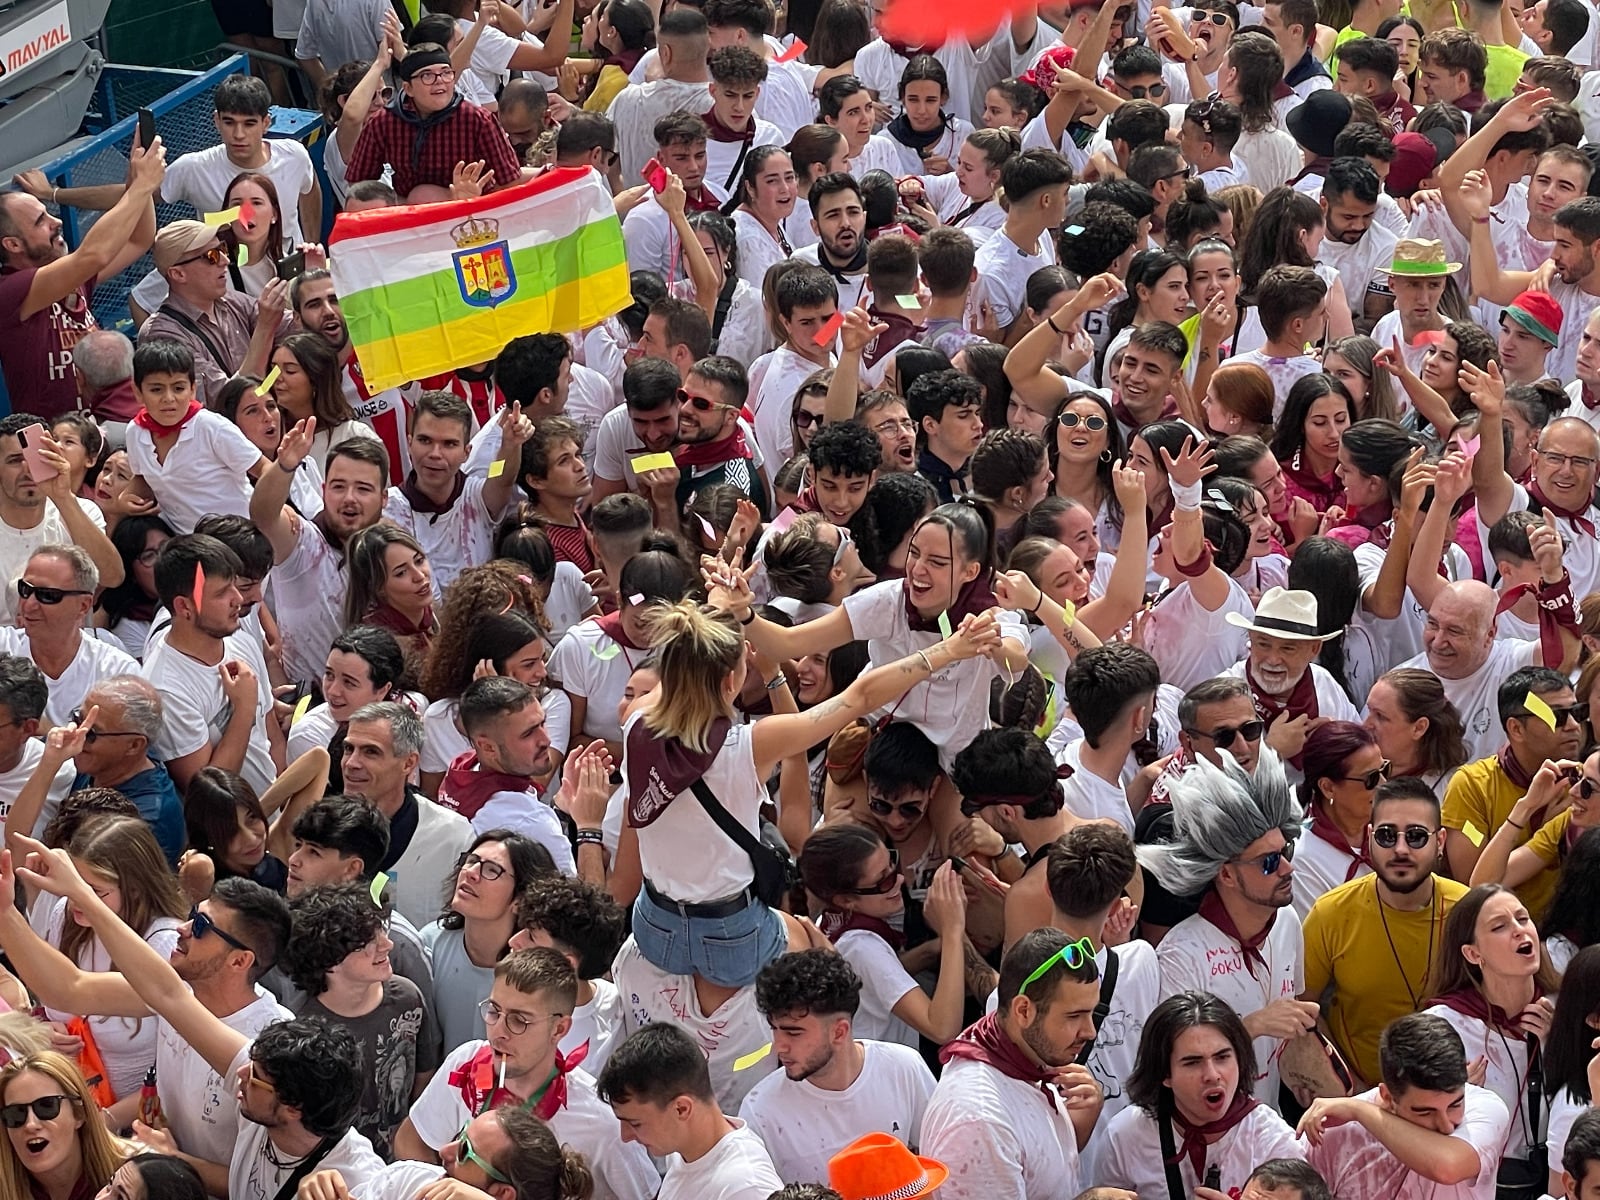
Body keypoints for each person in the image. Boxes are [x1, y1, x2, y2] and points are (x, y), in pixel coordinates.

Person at [0, 861, 293, 1192]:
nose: (182, 928)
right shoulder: (176, 993)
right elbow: (69, 989)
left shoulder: (274, 1046)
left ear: (240, 960)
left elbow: (265, 1186)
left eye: (201, 926)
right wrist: (6, 912)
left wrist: (177, 1162)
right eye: (192, 914)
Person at [399, 947, 661, 1200]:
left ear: (559, 1029)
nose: (498, 1031)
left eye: (519, 1020)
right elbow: (410, 1141)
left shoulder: (601, 1122)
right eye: (494, 1011)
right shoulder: (466, 1061)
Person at [1142, 747, 1317, 1104]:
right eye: (1269, 862)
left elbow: (1289, 1020)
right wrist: (1253, 1025)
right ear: (1226, 875)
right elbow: (1171, 1061)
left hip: (1267, 1122)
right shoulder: (1181, 955)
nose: (1288, 868)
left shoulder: (1286, 921)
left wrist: (1301, 1070)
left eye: (1285, 852)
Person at [1302, 776, 1469, 1088]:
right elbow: (1303, 1011)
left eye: (1416, 836)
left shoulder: (1468, 912)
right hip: (1363, 1093)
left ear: (1440, 842)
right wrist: (1347, 1086)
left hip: (1455, 1093)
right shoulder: (1331, 913)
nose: (1400, 849)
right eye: (1387, 835)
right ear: (1369, 838)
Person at [919, 929, 1102, 1200]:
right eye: (1074, 1016)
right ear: (1023, 1011)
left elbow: (1039, 1167)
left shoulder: (1021, 1050)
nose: (1090, 1032)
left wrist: (1083, 1120)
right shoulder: (980, 1122)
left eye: (1092, 1013)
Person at [738, 950, 936, 1184]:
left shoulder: (904, 1068)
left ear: (839, 1032)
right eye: (775, 1029)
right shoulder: (759, 1111)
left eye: (793, 1032)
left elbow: (939, 1161)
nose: (779, 1046)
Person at [0, 134, 162, 420]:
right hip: (57, 440)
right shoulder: (10, 290)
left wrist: (138, 182)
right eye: (40, 221)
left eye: (48, 213)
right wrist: (141, 188)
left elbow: (140, 239)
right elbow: (93, 255)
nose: (57, 221)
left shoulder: (70, 274)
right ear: (12, 244)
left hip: (102, 429)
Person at [33, 816, 186, 1109]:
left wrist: (103, 1124)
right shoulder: (64, 914)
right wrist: (41, 1031)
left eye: (96, 892)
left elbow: (177, 1073)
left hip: (133, 1118)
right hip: (65, 1105)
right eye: (75, 885)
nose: (78, 900)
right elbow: (42, 998)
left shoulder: (166, 943)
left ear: (135, 888)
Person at [281, 881, 441, 1158]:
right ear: (329, 960)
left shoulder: (407, 997)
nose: (387, 944)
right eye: (366, 943)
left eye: (382, 930)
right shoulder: (304, 1029)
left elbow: (423, 1077)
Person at [1093, 991, 1304, 1195]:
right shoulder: (1125, 1135)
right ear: (1164, 1073)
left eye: (1222, 1057)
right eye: (1193, 1063)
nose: (1212, 1075)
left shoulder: (1274, 1142)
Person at [1424, 882, 1558, 1193]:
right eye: (1499, 926)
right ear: (1473, 954)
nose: (1519, 930)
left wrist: (1559, 1046)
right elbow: (1410, 1122)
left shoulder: (1564, 1007)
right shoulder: (1444, 1026)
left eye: (1522, 919)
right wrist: (1455, 1100)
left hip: (1555, 1180)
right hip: (1476, 1187)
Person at [1300, 1012, 1511, 1200]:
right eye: (1425, 1112)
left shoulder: (1487, 1108)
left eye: (1455, 1105)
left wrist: (1358, 1110)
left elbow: (1448, 1168)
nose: (1446, 1126)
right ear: (1387, 1096)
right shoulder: (1335, 1132)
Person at [249, 420, 392, 687]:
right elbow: (263, 516)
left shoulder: (393, 549)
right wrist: (284, 466)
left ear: (384, 498)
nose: (349, 498)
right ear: (324, 491)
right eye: (338, 487)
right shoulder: (301, 542)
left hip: (381, 698)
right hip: (309, 702)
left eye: (363, 489)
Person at [139, 534, 281, 796]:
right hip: (229, 820)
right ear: (184, 606)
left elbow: (271, 734)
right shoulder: (165, 689)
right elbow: (208, 792)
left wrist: (284, 803)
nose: (238, 599)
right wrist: (244, 708)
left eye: (235, 585)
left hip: (270, 809)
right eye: (222, 593)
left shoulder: (241, 640)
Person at [1444, 666, 1585, 915]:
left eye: (1577, 712)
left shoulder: (1585, 783)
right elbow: (1473, 890)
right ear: (1516, 729)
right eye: (1557, 716)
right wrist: (1544, 833)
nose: (1573, 725)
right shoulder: (1472, 787)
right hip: (1502, 925)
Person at [597, 1022, 781, 1200]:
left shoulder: (746, 1188)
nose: (625, 1136)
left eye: (635, 1124)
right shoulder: (680, 1150)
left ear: (681, 1109)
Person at [341, 701, 476, 928]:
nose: (352, 763)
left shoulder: (454, 837)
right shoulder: (324, 829)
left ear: (408, 763)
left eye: (371, 752)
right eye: (348, 749)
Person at [421, 831, 554, 1051]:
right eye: (471, 861)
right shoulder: (430, 944)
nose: (471, 873)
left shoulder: (540, 970)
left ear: (521, 899)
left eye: (492, 870)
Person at [308, 1106, 595, 1200]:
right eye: (461, 1135)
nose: (444, 1150)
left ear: (501, 1194)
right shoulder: (411, 1178)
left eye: (465, 1151)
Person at [0, 414, 124, 627]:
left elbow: (111, 577)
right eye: (14, 461)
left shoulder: (82, 510)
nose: (27, 470)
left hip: (71, 641)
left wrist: (63, 497)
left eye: (36, 459)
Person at [0, 546, 136, 728]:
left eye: (47, 595)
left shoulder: (117, 672)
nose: (29, 604)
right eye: (25, 590)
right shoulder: (3, 646)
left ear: (83, 605)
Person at [509, 874, 629, 1075]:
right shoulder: (507, 989)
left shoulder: (619, 1015)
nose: (513, 941)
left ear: (566, 963)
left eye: (531, 937)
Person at [0, 1050, 135, 1200]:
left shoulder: (136, 1174)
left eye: (46, 1106)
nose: (30, 1124)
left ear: (79, 1113)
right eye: (15, 1114)